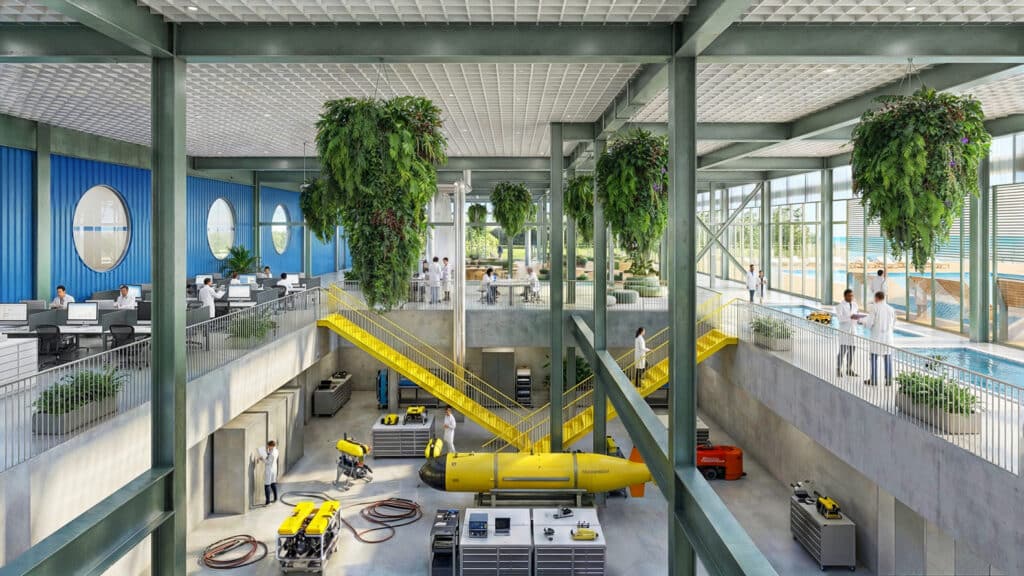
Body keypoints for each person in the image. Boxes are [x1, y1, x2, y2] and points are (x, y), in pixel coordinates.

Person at [860, 291, 896, 386]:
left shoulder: (874, 307)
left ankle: (874, 380)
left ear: (876, 298)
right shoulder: (891, 309)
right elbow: (893, 325)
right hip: (888, 338)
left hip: (877, 337)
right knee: (888, 358)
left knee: (874, 358)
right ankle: (888, 381)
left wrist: (862, 322)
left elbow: (869, 323)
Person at [833, 289, 859, 378]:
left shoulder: (855, 305)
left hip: (853, 331)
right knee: (842, 351)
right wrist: (850, 317)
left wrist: (858, 319)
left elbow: (856, 316)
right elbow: (840, 319)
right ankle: (838, 369)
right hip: (844, 331)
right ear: (845, 296)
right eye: (849, 296)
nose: (851, 297)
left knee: (852, 351)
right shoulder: (840, 306)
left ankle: (849, 369)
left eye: (852, 296)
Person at [257, 440, 279, 505]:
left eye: (268, 446)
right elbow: (270, 457)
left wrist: (262, 459)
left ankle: (268, 502)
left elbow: (268, 462)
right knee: (273, 483)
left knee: (267, 485)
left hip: (269, 470)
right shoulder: (276, 451)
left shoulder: (272, 453)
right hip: (274, 469)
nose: (268, 447)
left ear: (272, 446)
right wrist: (267, 454)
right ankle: (275, 498)